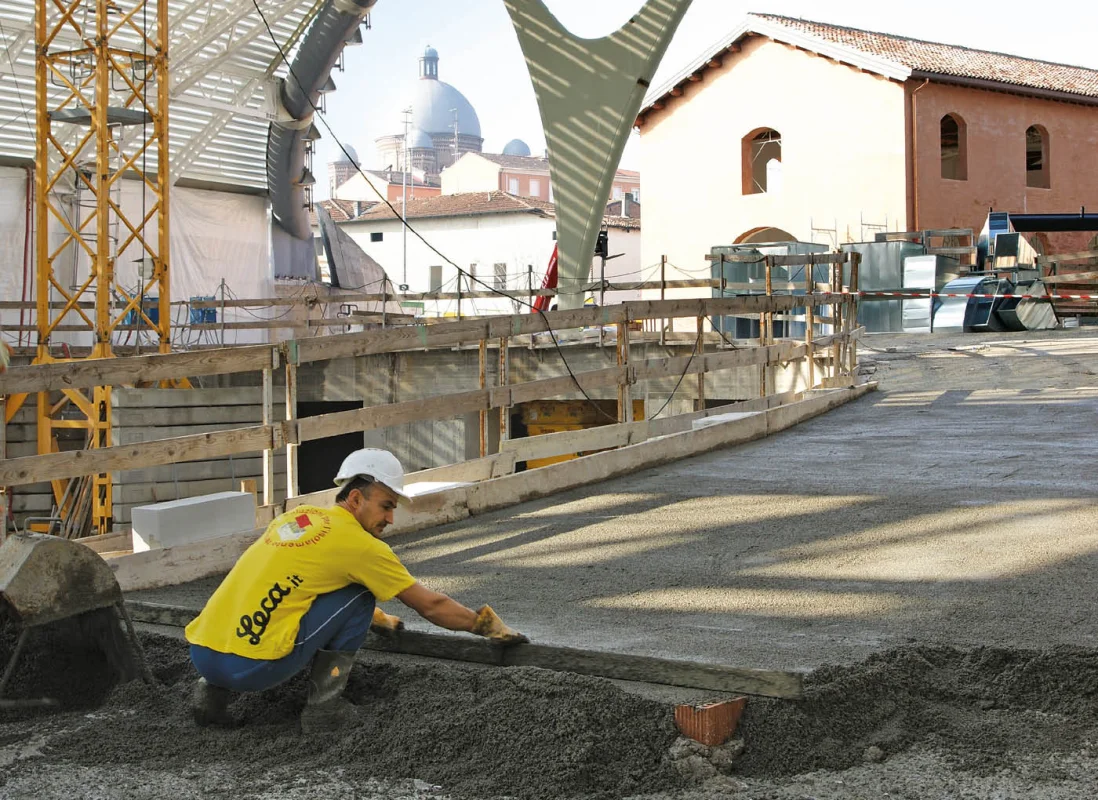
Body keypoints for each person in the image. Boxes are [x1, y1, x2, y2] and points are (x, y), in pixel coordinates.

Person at [185, 448, 528, 731]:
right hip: (253, 668)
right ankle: (324, 711)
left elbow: (307, 586)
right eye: (386, 506)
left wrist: (378, 621)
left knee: (289, 587)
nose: (390, 519)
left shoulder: (296, 518)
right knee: (363, 595)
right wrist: (483, 625)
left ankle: (209, 697)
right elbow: (431, 606)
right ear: (355, 498)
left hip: (203, 657)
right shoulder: (361, 547)